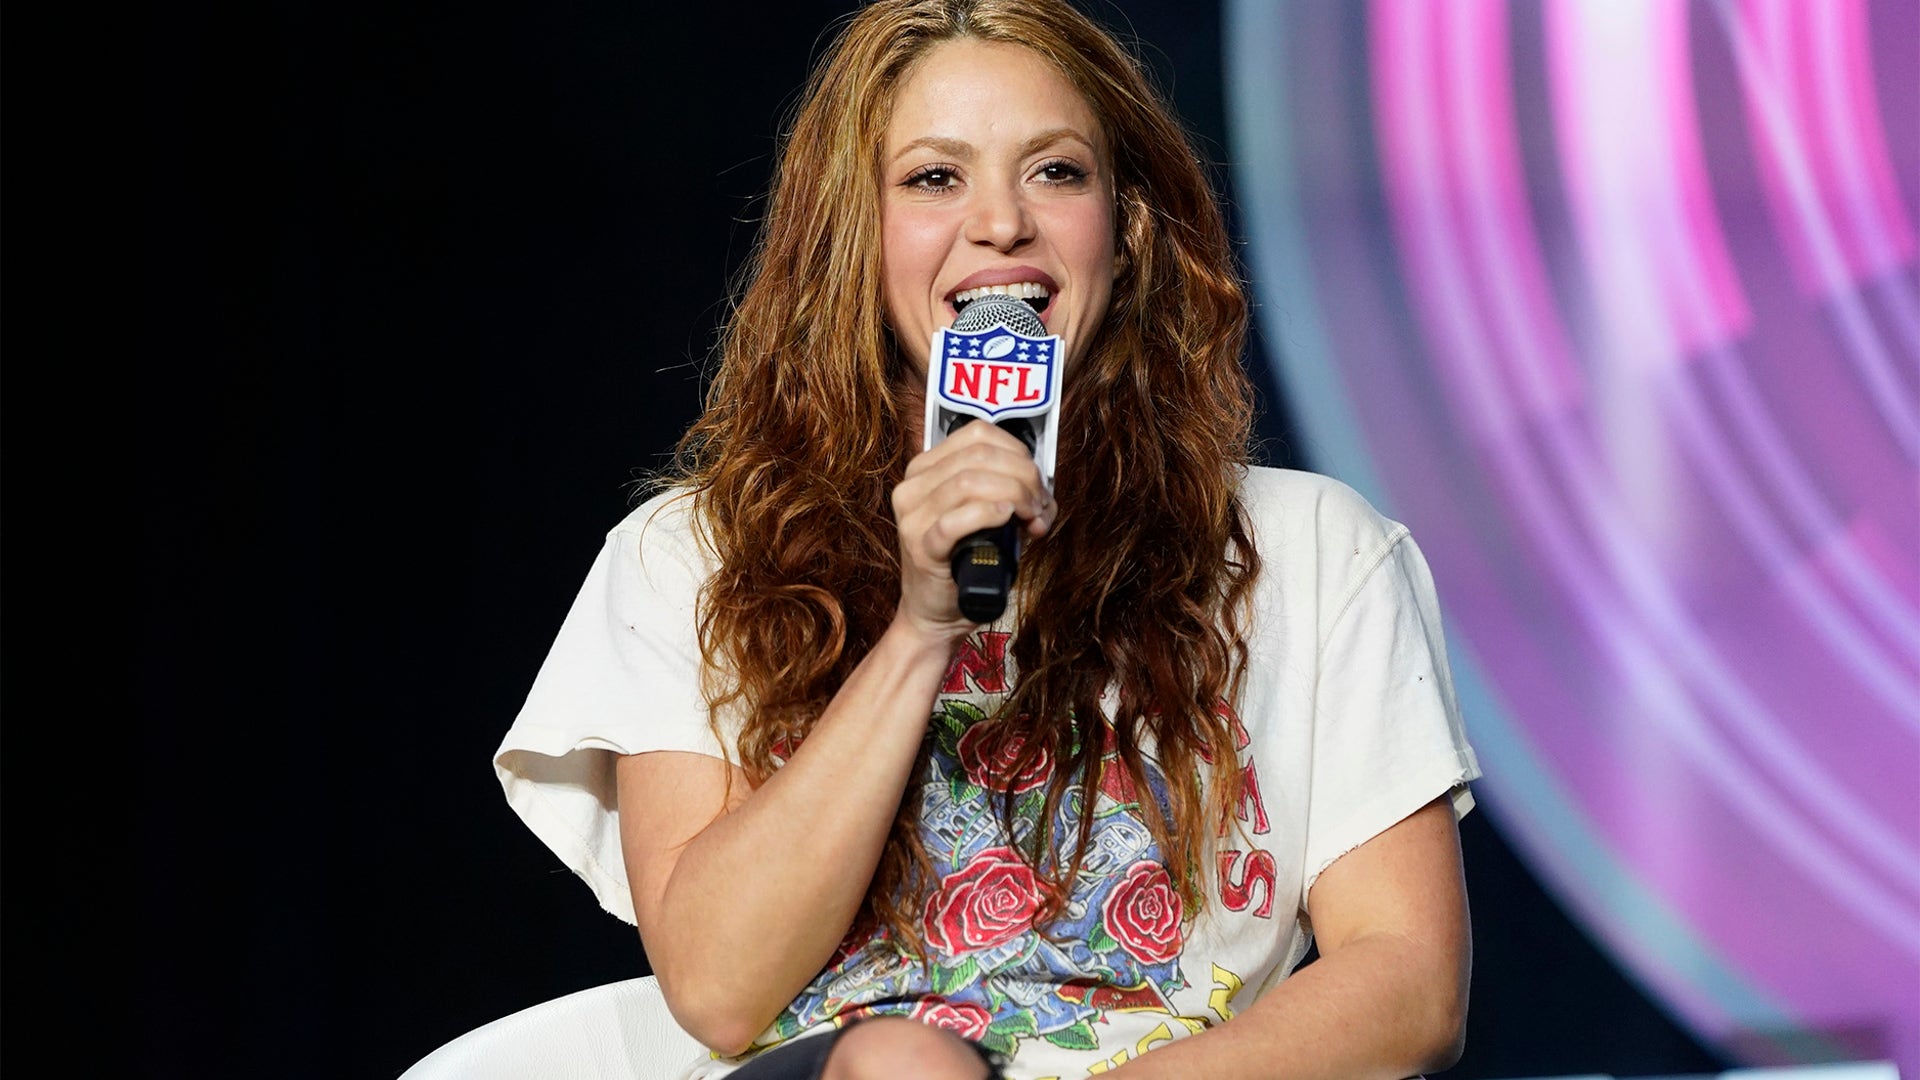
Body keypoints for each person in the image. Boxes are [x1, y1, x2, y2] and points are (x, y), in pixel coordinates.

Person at [494, 1, 1481, 1077]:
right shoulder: (690, 555)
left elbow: (1411, 983)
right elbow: (719, 989)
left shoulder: (1314, 550)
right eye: (934, 178)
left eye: (1056, 172)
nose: (1002, 222)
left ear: (1127, 228)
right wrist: (922, 630)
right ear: (853, 237)